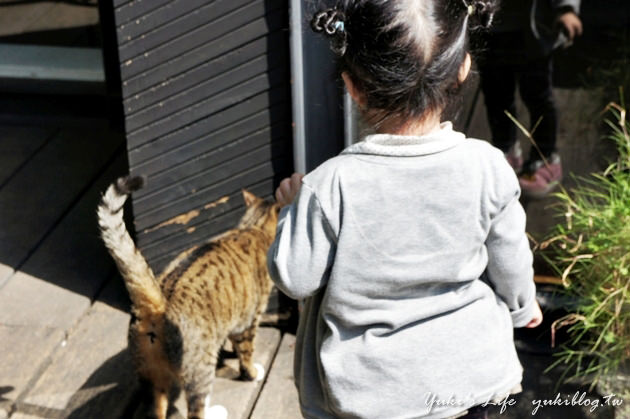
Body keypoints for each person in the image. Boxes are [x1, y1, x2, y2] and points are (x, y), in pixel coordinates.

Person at [268, 0, 543, 418]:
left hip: (374, 395)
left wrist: (293, 210)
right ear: (463, 69)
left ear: (353, 86)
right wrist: (524, 305)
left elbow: (295, 278)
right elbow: (510, 256)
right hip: (470, 381)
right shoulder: (486, 165)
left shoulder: (331, 185)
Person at [477, 0, 582, 198]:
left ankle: (545, 156)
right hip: (488, 29)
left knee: (538, 97)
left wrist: (566, 8)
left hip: (534, 29)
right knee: (496, 96)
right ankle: (505, 150)